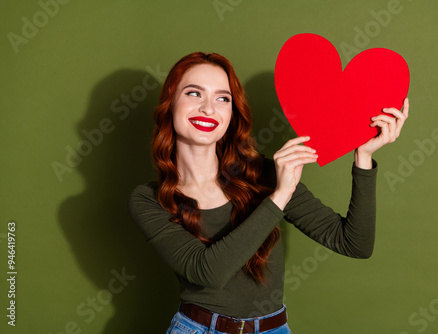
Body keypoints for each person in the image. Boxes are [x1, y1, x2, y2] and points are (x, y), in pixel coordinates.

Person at [128, 51, 409, 334]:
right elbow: (207, 272)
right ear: (170, 103)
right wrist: (280, 195)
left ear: (232, 113)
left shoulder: (264, 174)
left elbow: (354, 244)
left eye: (222, 98)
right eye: (193, 93)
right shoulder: (149, 199)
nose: (208, 109)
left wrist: (363, 156)